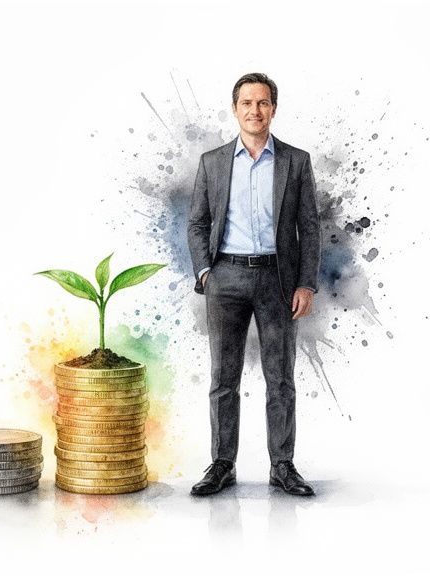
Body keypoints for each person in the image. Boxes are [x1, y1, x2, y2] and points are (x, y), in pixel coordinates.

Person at [187, 72, 321, 497]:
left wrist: (307, 284)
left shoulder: (295, 162)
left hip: (278, 281)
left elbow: (309, 227)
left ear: (274, 109)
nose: (255, 111)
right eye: (247, 103)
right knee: (222, 378)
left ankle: (282, 466)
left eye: (263, 103)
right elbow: (196, 222)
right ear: (235, 108)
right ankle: (222, 464)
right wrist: (206, 272)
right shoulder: (212, 162)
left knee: (280, 378)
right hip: (225, 277)